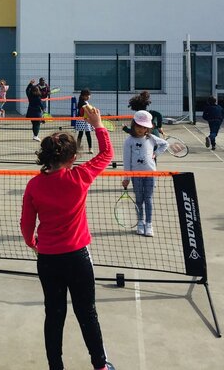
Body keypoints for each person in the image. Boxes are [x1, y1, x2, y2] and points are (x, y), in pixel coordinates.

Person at [20, 107, 116, 370]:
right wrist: (98, 124)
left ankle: (56, 367)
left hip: (48, 259)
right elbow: (107, 154)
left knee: (54, 315)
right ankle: (100, 365)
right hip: (77, 258)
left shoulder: (34, 185)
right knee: (87, 313)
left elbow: (27, 225)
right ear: (73, 158)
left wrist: (33, 244)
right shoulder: (79, 176)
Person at [122, 110, 168, 237]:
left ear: (148, 128)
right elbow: (126, 161)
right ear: (133, 125)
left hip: (150, 175)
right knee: (139, 199)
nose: (141, 129)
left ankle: (149, 224)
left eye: (144, 127)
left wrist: (155, 154)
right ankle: (140, 222)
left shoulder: (151, 138)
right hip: (136, 176)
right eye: (138, 126)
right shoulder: (129, 141)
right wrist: (127, 177)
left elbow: (165, 144)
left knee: (148, 199)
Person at [75, 89, 93, 153]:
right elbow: (89, 110)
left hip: (86, 120)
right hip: (81, 120)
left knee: (88, 133)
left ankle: (90, 148)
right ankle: (77, 148)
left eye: (89, 95)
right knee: (81, 133)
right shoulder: (82, 103)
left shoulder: (86, 102)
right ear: (83, 96)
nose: (88, 97)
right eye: (87, 95)